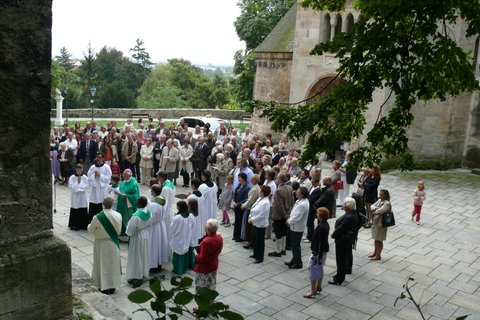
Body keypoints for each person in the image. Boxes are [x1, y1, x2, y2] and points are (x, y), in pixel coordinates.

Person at [88, 195, 122, 295]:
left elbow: (91, 230)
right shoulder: (118, 215)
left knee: (101, 264)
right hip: (113, 243)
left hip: (101, 244)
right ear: (112, 204)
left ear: (103, 204)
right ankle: (112, 286)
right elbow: (119, 231)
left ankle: (103, 286)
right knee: (113, 264)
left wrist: (89, 226)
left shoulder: (97, 217)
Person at [329, 197, 359, 285]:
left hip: (343, 241)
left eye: (345, 204)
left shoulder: (349, 217)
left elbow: (341, 229)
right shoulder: (353, 214)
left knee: (341, 260)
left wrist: (333, 235)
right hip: (347, 240)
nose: (343, 205)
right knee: (344, 258)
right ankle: (340, 275)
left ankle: (339, 278)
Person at [304, 207, 330, 298]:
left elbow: (321, 242)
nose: (316, 214)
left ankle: (312, 290)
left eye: (318, 213)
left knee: (313, 269)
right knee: (320, 268)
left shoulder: (322, 226)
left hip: (318, 252)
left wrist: (317, 254)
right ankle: (318, 287)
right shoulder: (325, 224)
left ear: (321, 215)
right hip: (322, 252)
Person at [125, 196, 152, 286]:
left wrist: (127, 227)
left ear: (138, 203)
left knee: (136, 257)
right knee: (144, 254)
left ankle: (136, 276)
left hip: (137, 237)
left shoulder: (135, 216)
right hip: (146, 235)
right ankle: (143, 273)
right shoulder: (149, 213)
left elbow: (130, 231)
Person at [194, 219, 223, 292]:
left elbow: (202, 258)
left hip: (204, 268)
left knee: (202, 290)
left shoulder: (206, 242)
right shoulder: (219, 238)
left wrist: (196, 254)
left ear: (208, 229)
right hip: (213, 265)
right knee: (211, 287)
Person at [268, 173, 293, 257]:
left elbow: (279, 205)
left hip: (279, 215)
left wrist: (285, 215)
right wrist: (288, 214)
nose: (276, 179)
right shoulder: (290, 188)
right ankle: (283, 249)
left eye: (277, 178)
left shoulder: (278, 190)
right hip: (287, 214)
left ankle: (278, 251)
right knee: (284, 232)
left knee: (278, 233)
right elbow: (292, 202)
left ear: (280, 180)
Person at [286, 187, 310, 269]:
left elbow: (297, 217)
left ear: (302, 194)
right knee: (294, 245)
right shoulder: (299, 201)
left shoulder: (303, 204)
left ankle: (298, 263)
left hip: (297, 227)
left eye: (298, 192)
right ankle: (294, 259)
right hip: (294, 226)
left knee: (295, 245)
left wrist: (289, 221)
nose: (296, 193)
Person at [171, 201, 196, 275]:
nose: (176, 207)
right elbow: (192, 225)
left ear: (180, 207)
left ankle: (178, 269)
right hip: (186, 236)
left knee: (178, 253)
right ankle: (185, 267)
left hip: (179, 238)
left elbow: (172, 228)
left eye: (177, 206)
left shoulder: (178, 217)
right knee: (185, 251)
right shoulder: (191, 216)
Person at [248, 185, 271, 263]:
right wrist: (250, 216)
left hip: (260, 224)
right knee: (255, 239)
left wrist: (252, 219)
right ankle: (255, 254)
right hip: (255, 223)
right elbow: (253, 207)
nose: (259, 191)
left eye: (260, 190)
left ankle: (260, 257)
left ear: (263, 192)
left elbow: (262, 215)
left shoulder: (266, 203)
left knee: (260, 241)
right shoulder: (260, 198)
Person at [87, 152, 112, 224]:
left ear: (103, 158)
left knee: (102, 205)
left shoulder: (107, 167)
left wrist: (100, 175)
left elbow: (108, 178)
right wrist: (94, 176)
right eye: (97, 157)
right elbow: (89, 177)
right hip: (94, 189)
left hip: (102, 189)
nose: (97, 159)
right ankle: (92, 222)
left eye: (99, 157)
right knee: (93, 205)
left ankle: (102, 222)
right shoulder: (92, 167)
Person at [116, 169, 140, 237]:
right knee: (122, 218)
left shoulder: (134, 183)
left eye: (124, 175)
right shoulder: (123, 182)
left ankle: (129, 235)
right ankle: (123, 234)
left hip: (129, 205)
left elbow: (136, 196)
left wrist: (127, 196)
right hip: (122, 203)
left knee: (128, 219)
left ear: (129, 176)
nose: (123, 177)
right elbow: (120, 189)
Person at [369, 189, 391, 261]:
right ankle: (375, 252)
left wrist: (375, 209)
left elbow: (380, 211)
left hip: (381, 224)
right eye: (380, 194)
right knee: (376, 239)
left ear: (386, 195)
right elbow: (372, 206)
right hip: (376, 222)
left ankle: (378, 255)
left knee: (379, 240)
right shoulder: (379, 200)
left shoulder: (387, 203)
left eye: (382, 195)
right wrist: (376, 208)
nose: (380, 196)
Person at [68, 164, 89, 230]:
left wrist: (79, 185)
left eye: (80, 170)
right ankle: (74, 224)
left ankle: (83, 225)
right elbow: (71, 186)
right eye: (78, 169)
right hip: (75, 196)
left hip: (83, 196)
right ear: (76, 169)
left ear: (82, 170)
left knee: (82, 208)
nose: (79, 171)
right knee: (75, 208)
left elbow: (87, 186)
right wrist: (78, 182)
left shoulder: (85, 177)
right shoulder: (72, 177)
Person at [241, 174, 260, 248]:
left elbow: (250, 200)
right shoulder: (257, 187)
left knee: (249, 227)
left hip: (250, 209)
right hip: (253, 208)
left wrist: (243, 206)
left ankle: (250, 241)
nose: (250, 180)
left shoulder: (254, 189)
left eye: (252, 179)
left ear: (255, 180)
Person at [232, 172, 250, 242]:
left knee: (240, 222)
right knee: (237, 221)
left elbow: (246, 199)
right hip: (236, 205)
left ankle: (240, 237)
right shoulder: (239, 185)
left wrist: (238, 204)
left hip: (241, 206)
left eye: (240, 178)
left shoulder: (247, 187)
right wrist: (234, 201)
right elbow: (235, 193)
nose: (238, 179)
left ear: (244, 179)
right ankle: (235, 235)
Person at [187, 179, 204, 246]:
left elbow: (187, 206)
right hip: (199, 215)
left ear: (192, 185)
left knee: (192, 232)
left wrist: (188, 197)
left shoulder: (191, 197)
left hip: (192, 216)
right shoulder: (201, 195)